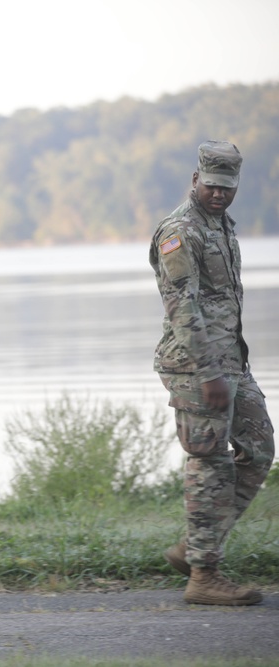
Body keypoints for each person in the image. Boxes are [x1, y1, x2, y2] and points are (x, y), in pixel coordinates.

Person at [149, 140, 274, 606]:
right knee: (210, 461)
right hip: (196, 365)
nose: (220, 194)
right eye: (213, 186)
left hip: (231, 362)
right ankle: (204, 575)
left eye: (229, 187)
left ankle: (194, 547)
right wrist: (207, 373)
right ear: (195, 180)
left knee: (259, 450)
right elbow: (182, 307)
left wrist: (227, 367)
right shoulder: (180, 231)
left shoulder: (220, 225)